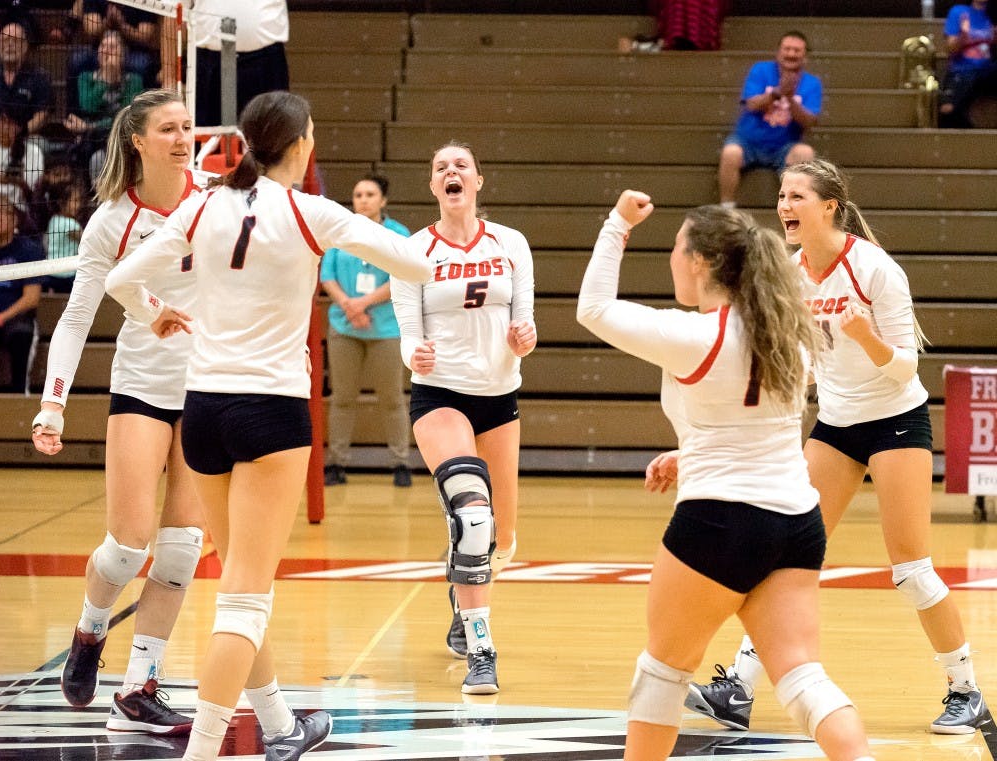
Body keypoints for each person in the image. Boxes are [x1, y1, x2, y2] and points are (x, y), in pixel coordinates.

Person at [103, 90, 431, 761]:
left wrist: (153, 312)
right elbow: (419, 266)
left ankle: (280, 724)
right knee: (246, 598)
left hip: (204, 412)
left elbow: (122, 281)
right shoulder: (311, 213)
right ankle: (203, 752)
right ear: (302, 145)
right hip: (270, 414)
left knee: (240, 582)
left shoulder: (202, 203)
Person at [684, 158, 989, 736]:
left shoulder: (875, 270)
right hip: (838, 423)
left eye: (796, 196)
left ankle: (965, 691)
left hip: (896, 421)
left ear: (829, 205)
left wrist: (863, 335)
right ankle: (737, 691)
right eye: (780, 195)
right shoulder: (793, 273)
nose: (783, 206)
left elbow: (904, 370)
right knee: (782, 554)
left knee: (913, 569)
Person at [577, 190, 874, 761]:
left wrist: (616, 224)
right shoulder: (789, 335)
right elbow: (754, 422)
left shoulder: (695, 336)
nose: (671, 258)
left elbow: (592, 309)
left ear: (701, 261)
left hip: (719, 522)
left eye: (674, 247)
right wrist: (690, 452)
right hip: (795, 522)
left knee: (660, 675)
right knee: (803, 680)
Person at [31, 88, 207, 735]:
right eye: (169, 127)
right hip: (143, 387)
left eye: (187, 126)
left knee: (183, 549)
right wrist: (52, 404)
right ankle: (90, 627)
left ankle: (139, 687)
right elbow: (77, 318)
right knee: (128, 545)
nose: (184, 136)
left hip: (208, 388)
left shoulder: (213, 200)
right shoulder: (112, 220)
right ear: (138, 139)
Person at [390, 141, 537, 694]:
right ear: (433, 187)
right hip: (439, 396)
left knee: (501, 538)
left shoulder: (511, 243)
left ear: (478, 181)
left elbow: (526, 325)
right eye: (440, 168)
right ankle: (482, 649)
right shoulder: (414, 251)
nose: (450, 173)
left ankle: (461, 592)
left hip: (498, 398)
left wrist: (526, 338)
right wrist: (414, 355)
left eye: (460, 167)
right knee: (473, 516)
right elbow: (408, 334)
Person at [320, 174, 413, 488]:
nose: (363, 199)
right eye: (358, 194)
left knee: (392, 399)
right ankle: (336, 463)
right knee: (342, 398)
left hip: (385, 328)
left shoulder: (398, 234)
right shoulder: (339, 230)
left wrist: (364, 304)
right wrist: (349, 305)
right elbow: (327, 276)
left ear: (383, 200)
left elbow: (403, 276)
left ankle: (400, 463)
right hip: (344, 327)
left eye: (370, 194)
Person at [718, 31, 821, 208]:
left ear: (805, 56)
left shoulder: (812, 83)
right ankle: (727, 209)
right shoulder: (760, 70)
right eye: (787, 49)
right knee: (730, 152)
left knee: (806, 153)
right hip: (748, 142)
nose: (791, 54)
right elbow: (750, 104)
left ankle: (795, 209)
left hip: (785, 146)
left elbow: (809, 122)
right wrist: (777, 92)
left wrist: (790, 99)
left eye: (797, 50)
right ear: (778, 52)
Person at [192, 0, 289, 127]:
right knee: (209, 136)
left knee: (271, 132)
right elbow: (171, 9)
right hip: (210, 61)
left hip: (266, 58)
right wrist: (169, 79)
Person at [65, 29, 143, 183]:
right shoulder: (85, 78)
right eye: (103, 46)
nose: (106, 51)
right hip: (92, 139)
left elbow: (125, 115)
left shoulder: (134, 80)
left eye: (112, 47)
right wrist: (106, 78)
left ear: (123, 55)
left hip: (122, 136)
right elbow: (88, 106)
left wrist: (89, 126)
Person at [0, 195, 41, 392]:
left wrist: (0, 317)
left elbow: (31, 298)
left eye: (1, 212)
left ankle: (20, 395)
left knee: (21, 335)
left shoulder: (28, 250)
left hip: (15, 319)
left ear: (14, 219)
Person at [939, 0, 995, 127]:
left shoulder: (992, 14)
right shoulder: (959, 11)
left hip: (988, 69)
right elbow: (950, 48)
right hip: (963, 69)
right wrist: (963, 38)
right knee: (948, 109)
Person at [0, 20, 51, 137]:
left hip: (26, 137)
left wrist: (20, 133)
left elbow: (42, 115)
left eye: (15, 41)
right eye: (5, 40)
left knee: (40, 146)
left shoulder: (39, 77)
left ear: (25, 47)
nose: (9, 45)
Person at [42, 178, 86, 293]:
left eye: (79, 200)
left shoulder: (54, 219)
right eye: (75, 200)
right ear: (61, 202)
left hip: (50, 271)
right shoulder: (71, 224)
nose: (79, 205)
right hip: (66, 274)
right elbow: (88, 241)